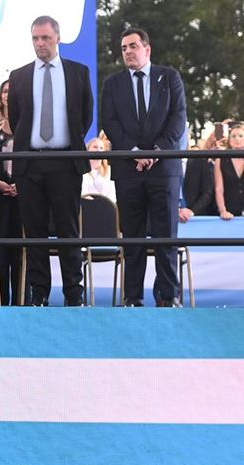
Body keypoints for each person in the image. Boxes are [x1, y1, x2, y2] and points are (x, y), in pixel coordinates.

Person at [8, 15, 93, 307]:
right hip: (30, 164)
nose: (40, 43)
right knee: (34, 232)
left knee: (69, 230)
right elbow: (16, 119)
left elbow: (85, 117)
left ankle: (74, 294)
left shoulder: (78, 72)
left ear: (57, 37)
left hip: (65, 161)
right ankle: (39, 294)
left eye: (45, 38)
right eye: (35, 38)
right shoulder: (18, 76)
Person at [100, 27, 186, 307]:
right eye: (124, 48)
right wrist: (135, 153)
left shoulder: (169, 77)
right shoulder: (113, 84)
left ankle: (168, 296)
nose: (128, 52)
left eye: (133, 46)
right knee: (132, 238)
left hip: (164, 171)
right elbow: (110, 122)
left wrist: (155, 152)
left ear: (147, 49)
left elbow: (177, 119)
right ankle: (132, 297)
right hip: (128, 170)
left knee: (166, 237)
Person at [0, 79, 23, 306]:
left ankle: (22, 300)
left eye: (12, 91)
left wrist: (21, 184)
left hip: (23, 197)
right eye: (5, 91)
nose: (8, 95)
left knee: (19, 251)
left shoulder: (27, 127)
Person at [179, 132, 218, 221]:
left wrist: (192, 211)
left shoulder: (200, 161)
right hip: (168, 216)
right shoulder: (163, 163)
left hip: (197, 218)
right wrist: (176, 211)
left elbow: (207, 191)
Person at [214, 124, 244, 219]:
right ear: (229, 140)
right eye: (233, 136)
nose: (237, 139)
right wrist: (223, 211)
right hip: (230, 211)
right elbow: (219, 188)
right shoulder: (221, 159)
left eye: (240, 136)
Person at [81, 136, 116, 201]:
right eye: (95, 147)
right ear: (87, 149)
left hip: (106, 207)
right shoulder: (81, 170)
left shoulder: (109, 171)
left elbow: (112, 195)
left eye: (101, 148)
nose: (98, 150)